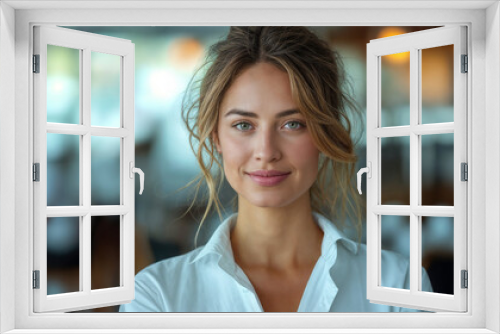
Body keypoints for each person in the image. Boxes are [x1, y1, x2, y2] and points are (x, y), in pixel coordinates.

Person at [119, 26, 432, 313]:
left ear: (325, 135)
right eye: (243, 125)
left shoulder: (398, 285)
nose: (266, 152)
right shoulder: (156, 297)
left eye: (292, 124)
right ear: (216, 137)